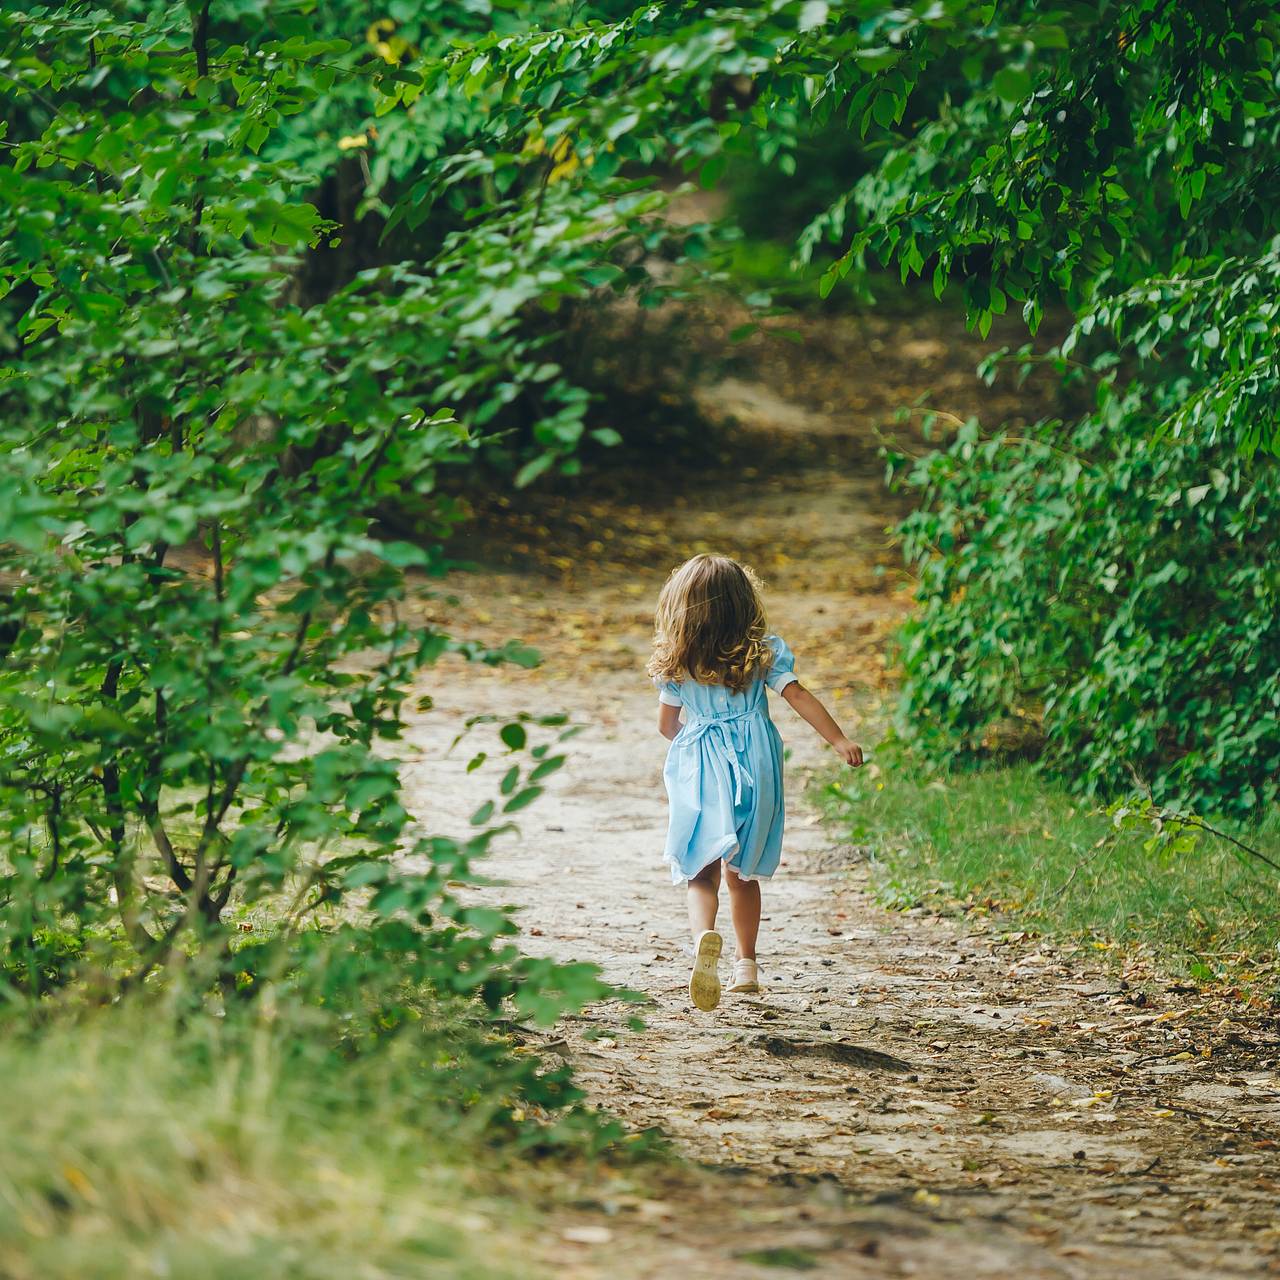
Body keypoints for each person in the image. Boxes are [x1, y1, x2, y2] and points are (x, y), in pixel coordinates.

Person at [648, 554, 864, 1011]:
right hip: (755, 760)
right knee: (741, 872)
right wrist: (839, 740)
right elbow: (797, 695)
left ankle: (704, 938)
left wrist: (693, 741)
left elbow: (667, 725)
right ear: (743, 603)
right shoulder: (761, 651)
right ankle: (746, 965)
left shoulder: (677, 659)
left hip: (703, 762)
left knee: (700, 870)